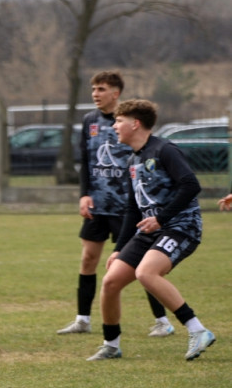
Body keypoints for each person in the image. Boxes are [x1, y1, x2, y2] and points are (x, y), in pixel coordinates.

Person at [87, 99, 216, 361]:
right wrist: (119, 248)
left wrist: (161, 218)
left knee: (146, 273)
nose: (114, 126)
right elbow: (133, 210)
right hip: (150, 230)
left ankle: (198, 330)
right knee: (111, 281)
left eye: (119, 121)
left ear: (135, 123)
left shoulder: (165, 150)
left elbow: (190, 185)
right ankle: (111, 345)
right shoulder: (133, 160)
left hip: (181, 227)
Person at [57, 72, 173, 336]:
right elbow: (86, 161)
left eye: (101, 89)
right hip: (98, 204)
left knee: (142, 263)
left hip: (128, 207)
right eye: (93, 89)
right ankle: (83, 319)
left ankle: (162, 322)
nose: (95, 94)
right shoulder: (89, 120)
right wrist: (84, 194)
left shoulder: (131, 121)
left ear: (116, 93)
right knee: (88, 259)